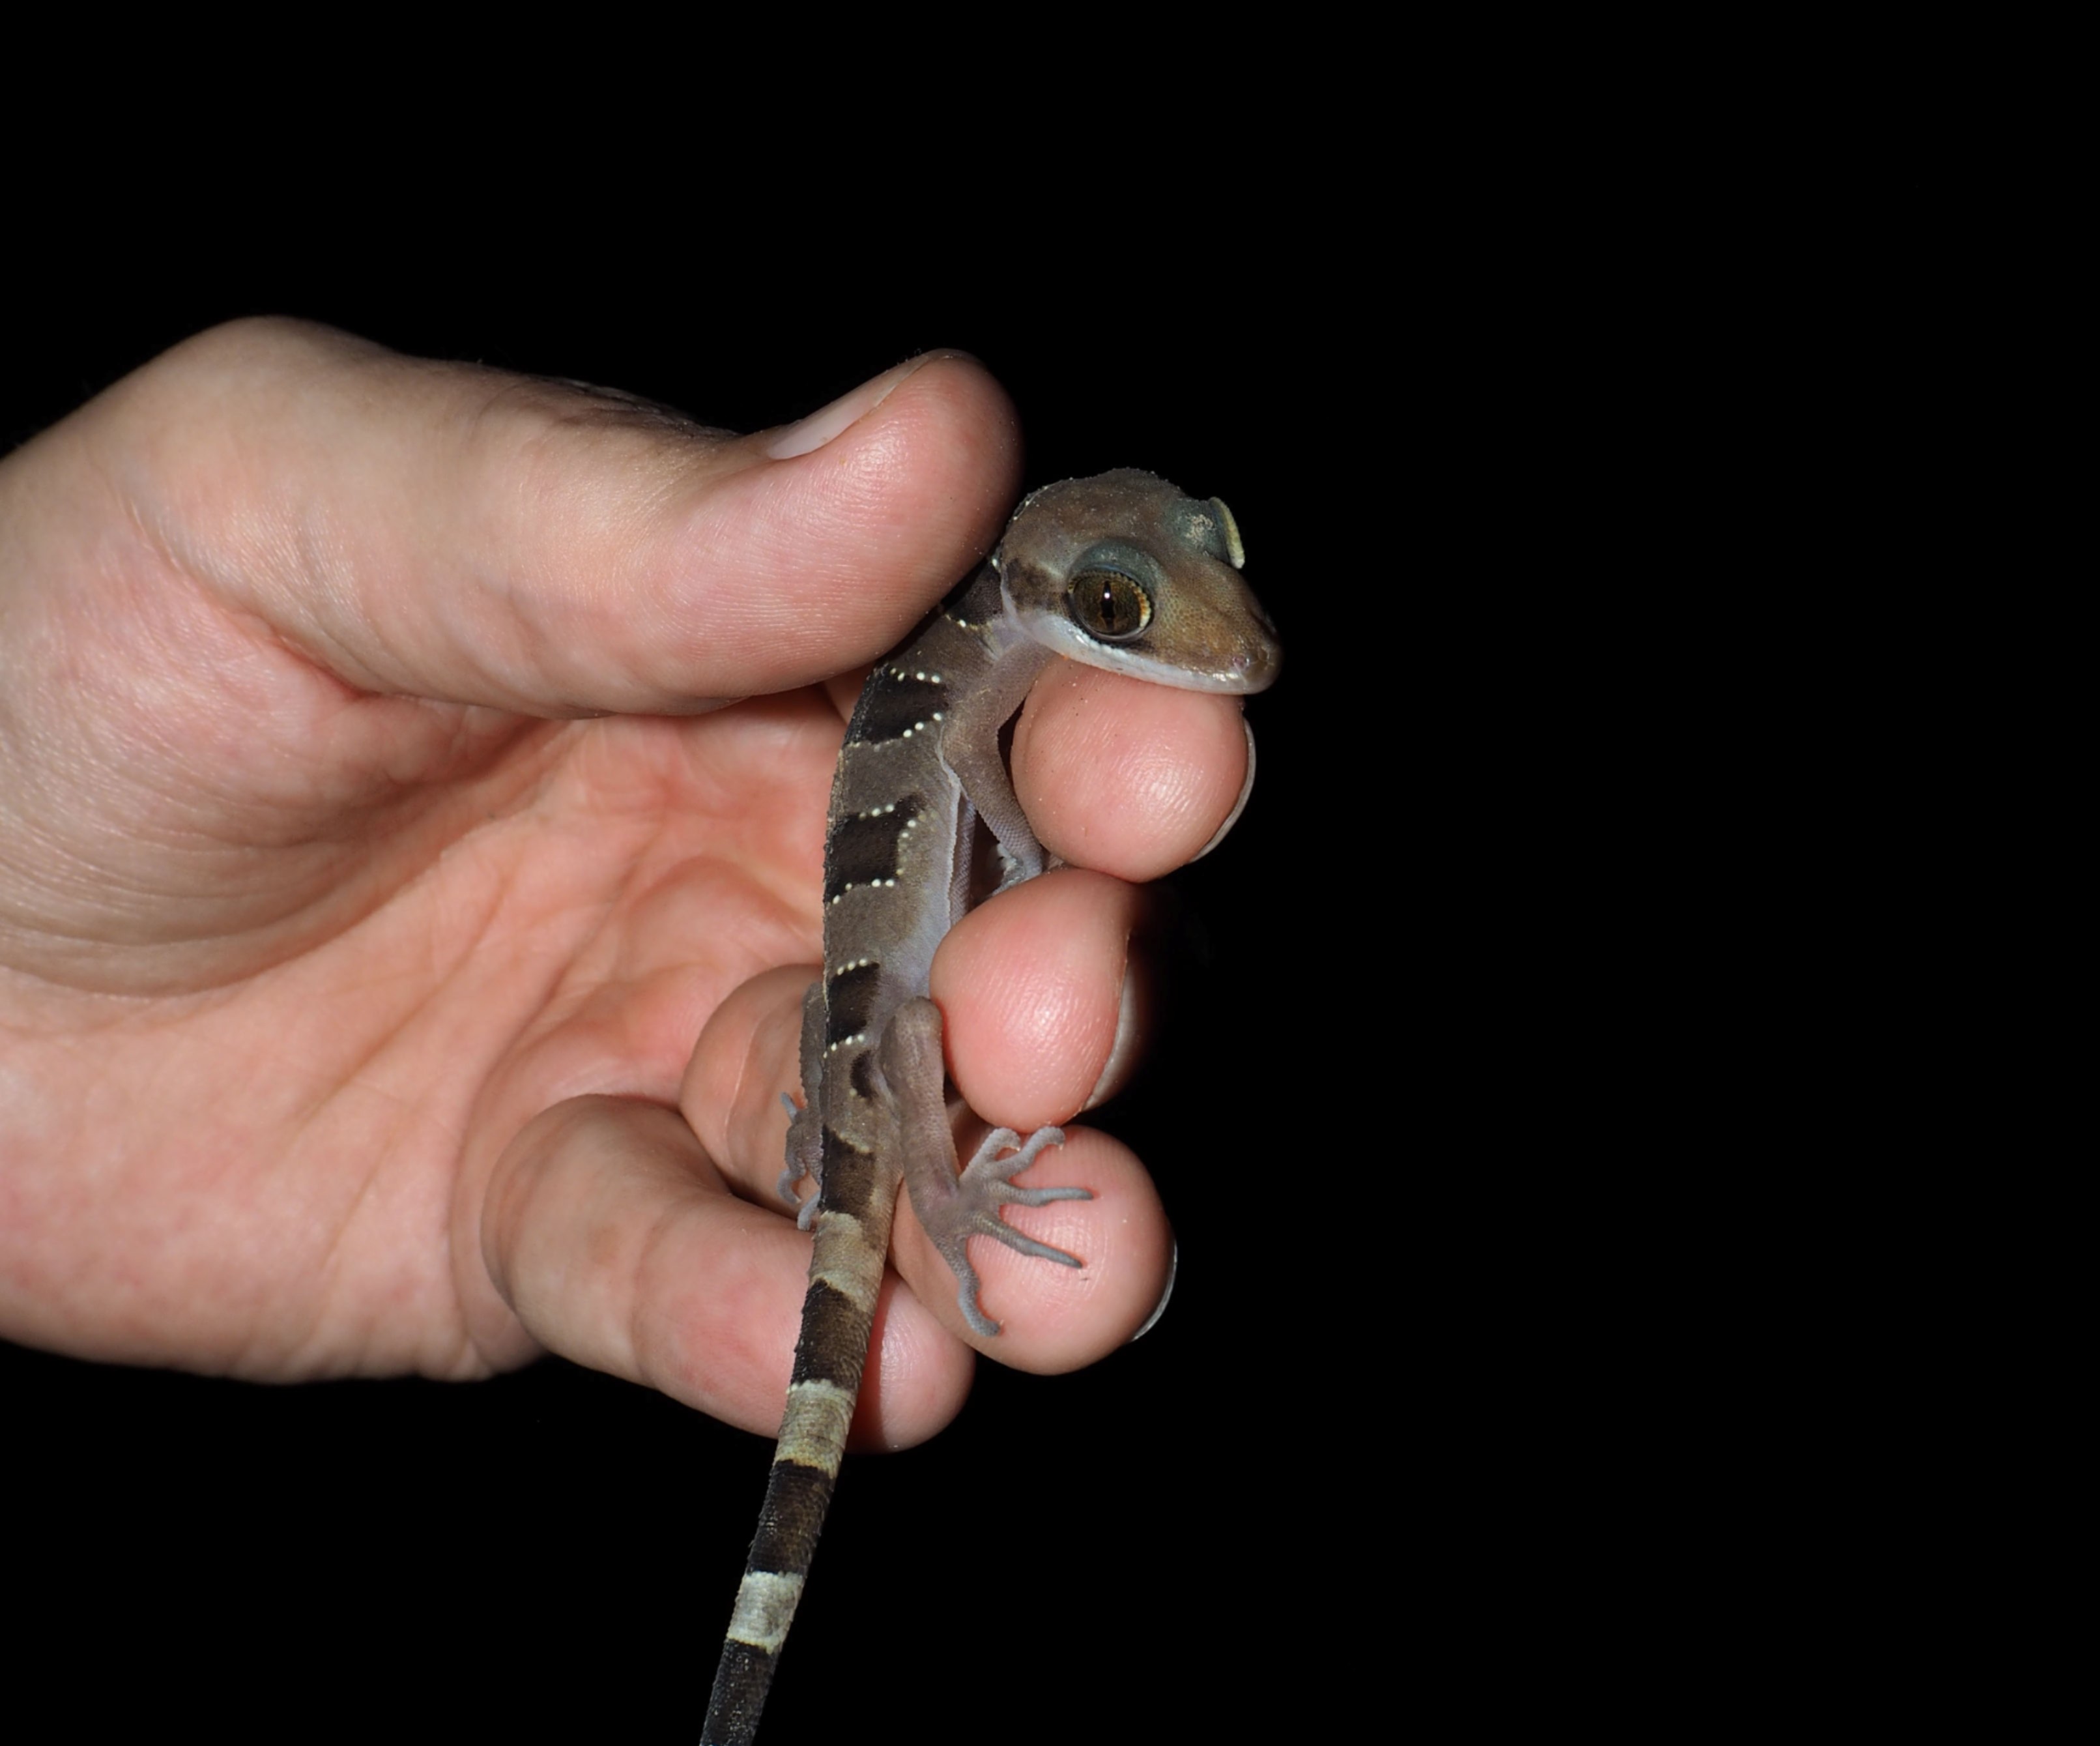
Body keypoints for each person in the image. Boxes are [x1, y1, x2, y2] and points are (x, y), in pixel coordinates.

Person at [0, 319, 1254, 1446]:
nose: (1219, 639)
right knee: (914, 1034)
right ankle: (938, 1201)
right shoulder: (976, 672)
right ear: (1038, 594)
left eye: (1209, 554)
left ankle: (840, 1155)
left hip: (843, 1007)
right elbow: (974, 760)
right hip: (868, 1014)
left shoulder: (982, 654)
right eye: (1115, 607)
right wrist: (1019, 866)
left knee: (907, 1031)